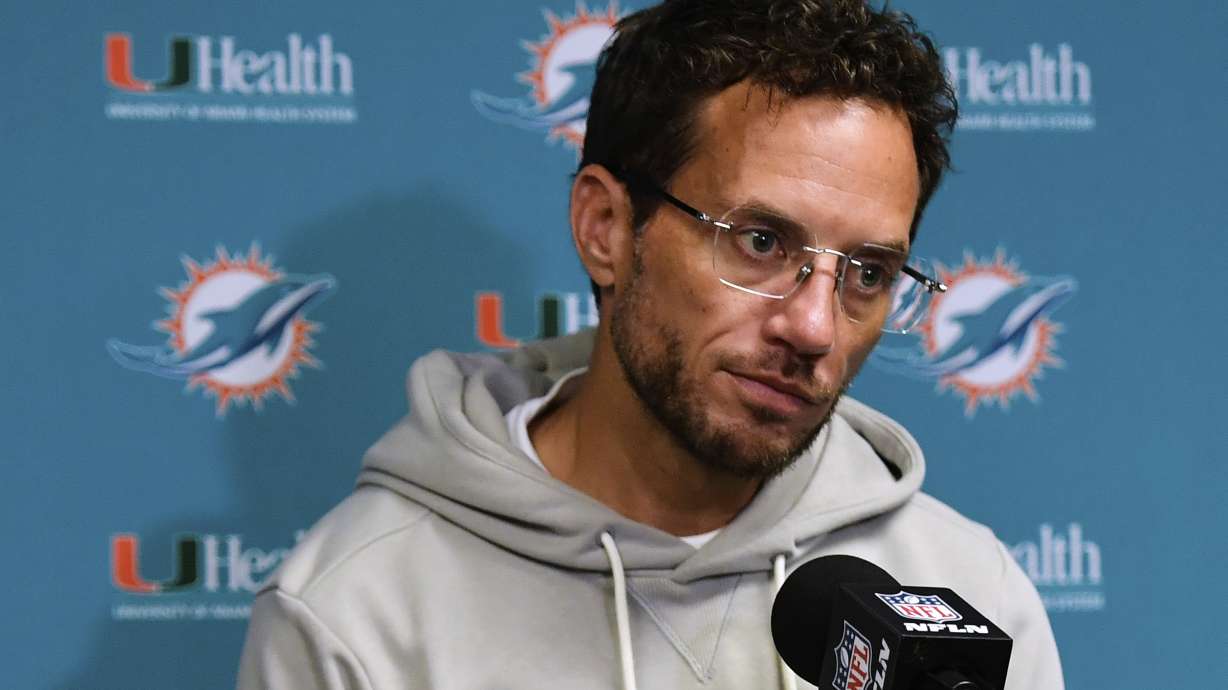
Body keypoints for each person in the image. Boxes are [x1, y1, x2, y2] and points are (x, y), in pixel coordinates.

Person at [237, 1, 1064, 688]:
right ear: (607, 229)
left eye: (869, 272)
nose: (814, 328)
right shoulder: (357, 612)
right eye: (761, 243)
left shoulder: (965, 593)